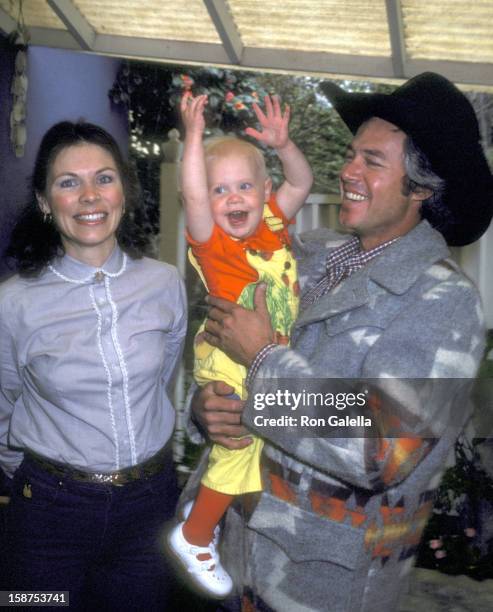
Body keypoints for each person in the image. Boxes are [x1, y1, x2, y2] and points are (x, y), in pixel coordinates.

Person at [184, 72, 493, 611]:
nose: (347, 170)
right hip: (230, 555)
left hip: (313, 589)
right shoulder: (305, 254)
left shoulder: (446, 302)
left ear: (420, 187)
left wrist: (261, 362)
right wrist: (208, 406)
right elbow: (223, 343)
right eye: (352, 155)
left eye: (372, 162)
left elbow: (380, 446)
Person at [0, 121, 187, 611]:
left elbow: (162, 378)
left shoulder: (165, 282)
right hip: (47, 515)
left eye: (104, 178)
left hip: (150, 509)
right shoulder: (13, 302)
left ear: (123, 190)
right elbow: (2, 404)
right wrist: (34, 481)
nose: (89, 196)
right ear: (45, 202)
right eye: (68, 182)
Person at [167, 93, 312, 597]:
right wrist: (192, 139)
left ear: (264, 190)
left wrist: (284, 143)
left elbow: (302, 181)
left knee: (253, 457)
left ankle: (206, 514)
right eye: (219, 190)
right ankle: (195, 535)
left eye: (244, 187)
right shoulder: (214, 246)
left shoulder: (273, 224)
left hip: (263, 363)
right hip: (231, 363)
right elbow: (192, 197)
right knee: (239, 450)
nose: (233, 199)